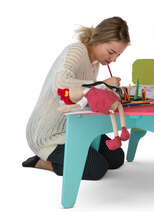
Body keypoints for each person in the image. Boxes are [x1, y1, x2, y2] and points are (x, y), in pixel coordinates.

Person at [23, 16, 130, 180]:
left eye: (118, 55)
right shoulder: (76, 51)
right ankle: (42, 161)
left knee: (116, 158)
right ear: (99, 39)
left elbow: (86, 94)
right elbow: (60, 85)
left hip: (74, 127)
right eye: (111, 52)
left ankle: (76, 153)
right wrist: (102, 84)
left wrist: (111, 93)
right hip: (48, 135)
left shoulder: (94, 63)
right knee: (97, 169)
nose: (114, 59)